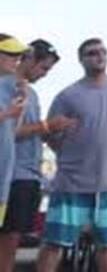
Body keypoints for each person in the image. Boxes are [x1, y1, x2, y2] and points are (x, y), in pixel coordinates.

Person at [35, 38, 107, 272]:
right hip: (72, 183)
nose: (99, 56)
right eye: (92, 53)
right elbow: (48, 133)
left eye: (103, 51)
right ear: (81, 60)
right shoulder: (67, 95)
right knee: (54, 243)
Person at [0, 40, 75, 272]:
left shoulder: (30, 92)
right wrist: (46, 125)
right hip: (13, 176)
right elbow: (12, 130)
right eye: (43, 68)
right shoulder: (5, 87)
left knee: (14, 239)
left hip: (29, 175)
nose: (44, 75)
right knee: (8, 241)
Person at [0, 36, 28, 238]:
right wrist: (7, 113)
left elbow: (13, 131)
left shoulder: (7, 89)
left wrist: (20, 105)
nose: (17, 59)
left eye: (19, 55)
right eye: (11, 54)